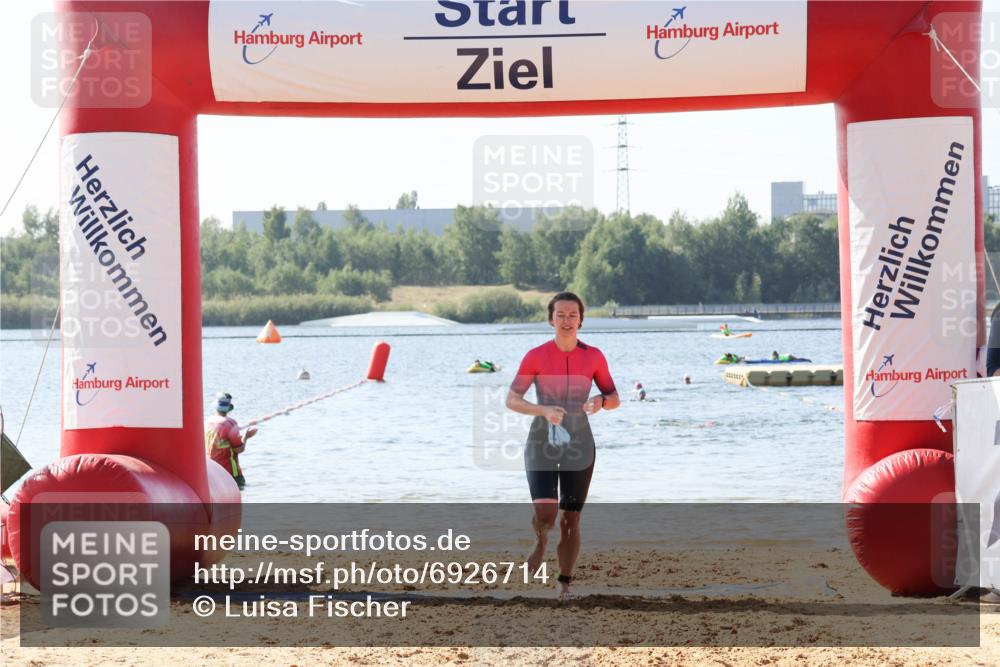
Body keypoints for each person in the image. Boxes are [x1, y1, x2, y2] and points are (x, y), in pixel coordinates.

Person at [506, 292, 620, 599]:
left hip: (580, 443)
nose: (567, 320)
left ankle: (564, 581)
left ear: (581, 319)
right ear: (551, 319)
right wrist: (543, 410)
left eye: (572, 315)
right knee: (546, 514)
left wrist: (599, 401)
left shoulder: (594, 356)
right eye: (561, 315)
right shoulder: (536, 356)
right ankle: (541, 541)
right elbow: (512, 399)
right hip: (542, 440)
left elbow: (614, 398)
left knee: (571, 519)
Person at [205, 392, 257, 490]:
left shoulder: (207, 423)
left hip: (213, 474)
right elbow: (239, 449)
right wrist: (246, 437)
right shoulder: (230, 424)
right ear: (229, 407)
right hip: (231, 474)